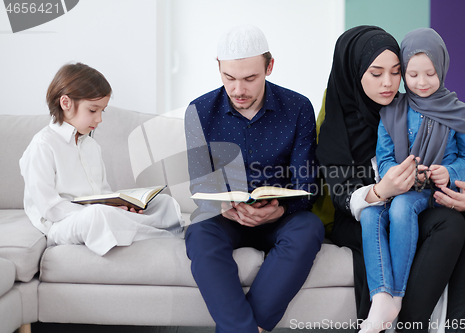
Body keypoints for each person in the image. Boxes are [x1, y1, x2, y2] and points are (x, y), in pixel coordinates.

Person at [315, 26, 465, 333]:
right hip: (364, 210)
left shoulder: (422, 106)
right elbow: (342, 193)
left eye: (395, 71)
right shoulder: (340, 119)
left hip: (430, 194)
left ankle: (462, 323)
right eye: (376, 73)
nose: (388, 83)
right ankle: (407, 321)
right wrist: (381, 189)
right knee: (448, 225)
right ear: (355, 72)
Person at [184, 25, 324, 333]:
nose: (238, 90)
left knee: (310, 227)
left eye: (250, 78)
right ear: (218, 68)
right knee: (198, 232)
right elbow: (201, 184)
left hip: (279, 216)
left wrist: (280, 210)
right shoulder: (199, 110)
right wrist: (225, 207)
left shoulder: (298, 107)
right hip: (226, 216)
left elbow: (307, 183)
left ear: (269, 67)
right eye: (229, 78)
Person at [358, 27, 465, 333]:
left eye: (430, 73)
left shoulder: (459, 112)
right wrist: (398, 173)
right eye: (412, 75)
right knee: (374, 212)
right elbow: (384, 157)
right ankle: (383, 298)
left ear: (442, 68)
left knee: (400, 208)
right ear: (404, 73)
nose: (422, 82)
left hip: (437, 192)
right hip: (404, 187)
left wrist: (450, 172)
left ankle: (396, 298)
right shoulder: (392, 111)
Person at [20, 63, 184, 256]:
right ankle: (162, 235)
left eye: (102, 111)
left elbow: (102, 193)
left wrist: (121, 206)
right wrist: (106, 212)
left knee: (163, 202)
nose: (99, 119)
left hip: (99, 214)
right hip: (62, 224)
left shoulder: (91, 146)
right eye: (92, 110)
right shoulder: (43, 145)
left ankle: (141, 228)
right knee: (98, 216)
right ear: (66, 103)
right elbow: (50, 208)